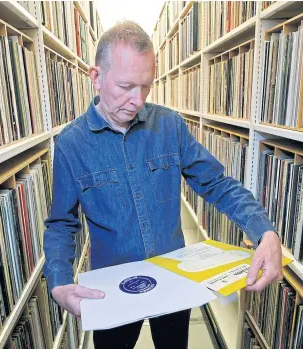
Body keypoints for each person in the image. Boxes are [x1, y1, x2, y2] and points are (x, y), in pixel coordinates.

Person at [43, 21, 283, 349]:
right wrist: (58, 282)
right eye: (126, 86)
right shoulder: (71, 144)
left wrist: (265, 231)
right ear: (96, 77)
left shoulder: (169, 125)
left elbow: (218, 184)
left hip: (175, 284)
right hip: (112, 291)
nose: (137, 100)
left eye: (146, 86)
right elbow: (61, 224)